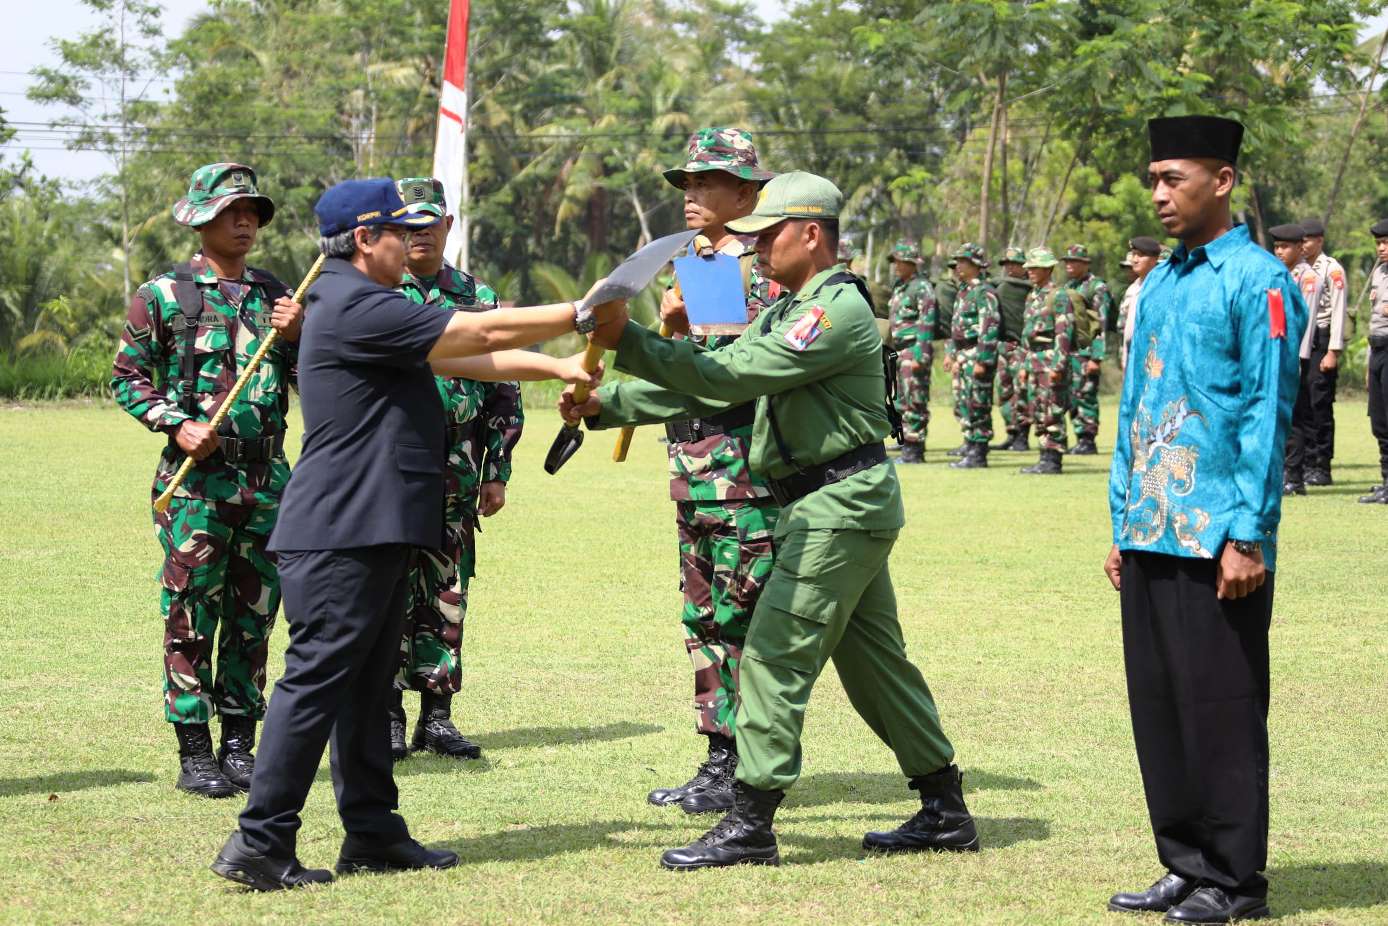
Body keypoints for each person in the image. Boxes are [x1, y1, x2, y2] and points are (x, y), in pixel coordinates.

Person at [210, 177, 617, 891]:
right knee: (314, 686)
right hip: (344, 529)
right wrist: (581, 313)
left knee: (368, 691)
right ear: (366, 239)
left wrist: (556, 364)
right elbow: (479, 330)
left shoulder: (365, 302)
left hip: (374, 526)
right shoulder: (352, 302)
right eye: (401, 231)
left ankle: (371, 832)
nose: (416, 242)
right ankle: (259, 841)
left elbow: (463, 356)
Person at [567, 170, 978, 870]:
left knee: (771, 657)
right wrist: (611, 404)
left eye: (767, 235)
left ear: (811, 234)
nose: (754, 249)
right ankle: (944, 808)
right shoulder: (791, 306)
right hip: (827, 504)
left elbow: (730, 378)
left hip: (838, 506)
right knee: (876, 665)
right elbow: (719, 375)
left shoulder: (831, 311)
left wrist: (628, 342)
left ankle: (752, 823)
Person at [1104, 116, 1304, 924]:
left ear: (1221, 181)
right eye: (1153, 178)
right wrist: (1122, 521)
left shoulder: (1257, 281)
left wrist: (1247, 533)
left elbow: (1267, 412)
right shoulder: (1159, 281)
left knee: (1220, 709)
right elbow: (1136, 408)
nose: (1159, 194)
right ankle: (1185, 864)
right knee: (1158, 706)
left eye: (1173, 178)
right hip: (1152, 526)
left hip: (1219, 534)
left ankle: (1235, 880)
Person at [607, 127, 783, 816]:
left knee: (743, 622)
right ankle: (718, 759)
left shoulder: (762, 270)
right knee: (703, 620)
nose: (691, 195)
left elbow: (741, 375)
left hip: (744, 477)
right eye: (686, 183)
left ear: (746, 193)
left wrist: (672, 335)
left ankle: (748, 766)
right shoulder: (698, 263)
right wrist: (674, 332)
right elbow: (694, 370)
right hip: (693, 468)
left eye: (706, 182)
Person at [112, 163, 302, 798]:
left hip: (269, 480)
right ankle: (195, 751)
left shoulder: (278, 297)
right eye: (229, 212)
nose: (244, 221)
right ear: (199, 220)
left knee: (254, 617)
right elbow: (127, 377)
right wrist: (174, 423)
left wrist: (299, 335)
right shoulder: (165, 295)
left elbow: (312, 376)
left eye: (251, 211)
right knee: (191, 616)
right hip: (196, 484)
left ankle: (240, 746)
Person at [385, 177, 523, 761]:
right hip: (391, 469)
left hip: (458, 469)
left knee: (446, 589)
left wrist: (497, 469)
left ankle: (436, 716)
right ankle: (386, 713)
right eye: (407, 226)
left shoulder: (475, 295)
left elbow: (503, 388)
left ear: (448, 225)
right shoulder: (379, 292)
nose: (419, 235)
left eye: (429, 223)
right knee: (388, 587)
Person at [1296, 218, 1349, 486]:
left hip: (1323, 337)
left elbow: (1338, 311)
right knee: (1303, 402)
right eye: (1301, 241)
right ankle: (1304, 461)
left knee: (1319, 404)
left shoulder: (1331, 269)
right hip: (1304, 337)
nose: (1303, 245)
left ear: (1320, 241)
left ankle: (1321, 464)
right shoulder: (1300, 270)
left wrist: (1333, 351)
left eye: (1308, 240)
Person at [1018, 248, 1080, 475]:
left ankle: (1053, 458)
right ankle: (1044, 455)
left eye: (1035, 268)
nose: (1030, 271)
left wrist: (1058, 365)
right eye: (1029, 268)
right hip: (1035, 361)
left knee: (1052, 409)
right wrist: (1024, 364)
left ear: (1048, 269)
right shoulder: (1033, 296)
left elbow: (1064, 333)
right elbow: (1027, 333)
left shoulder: (1059, 296)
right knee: (1037, 409)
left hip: (1050, 361)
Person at [1268, 224, 1315, 497]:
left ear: (1300, 247)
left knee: (1296, 415)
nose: (1280, 251)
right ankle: (1284, 471)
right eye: (1277, 247)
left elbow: (1304, 323)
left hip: (1297, 354)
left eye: (1285, 246)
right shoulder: (1279, 275)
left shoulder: (1307, 277)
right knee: (1282, 414)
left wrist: (1297, 358)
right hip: (1281, 351)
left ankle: (1295, 477)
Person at [947, 243, 1001, 468]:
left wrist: (982, 360)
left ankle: (979, 451)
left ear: (976, 265)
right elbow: (955, 326)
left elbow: (989, 327)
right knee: (963, 402)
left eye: (964, 262)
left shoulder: (984, 292)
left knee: (978, 403)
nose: (958, 265)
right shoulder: (964, 291)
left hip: (976, 353)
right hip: (962, 354)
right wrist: (951, 353)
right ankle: (969, 444)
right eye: (958, 261)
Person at [886, 239, 937, 463]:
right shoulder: (900, 286)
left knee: (915, 399)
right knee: (903, 399)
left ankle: (915, 448)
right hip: (900, 352)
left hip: (914, 351)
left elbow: (927, 322)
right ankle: (908, 440)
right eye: (895, 261)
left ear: (912, 263)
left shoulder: (922, 287)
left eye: (901, 261)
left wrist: (920, 354)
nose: (896, 265)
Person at [1061, 244, 1114, 455]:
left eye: (1074, 262)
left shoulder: (1097, 287)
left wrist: (1096, 357)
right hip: (1071, 351)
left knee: (1086, 395)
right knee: (1073, 396)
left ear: (1085, 264)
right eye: (1067, 262)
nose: (1069, 265)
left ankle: (1087, 439)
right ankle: (1079, 437)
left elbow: (1101, 323)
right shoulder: (1070, 286)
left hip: (1087, 352)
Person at [992, 246, 1033, 452]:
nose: (1009, 268)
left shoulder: (1031, 289)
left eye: (1014, 264)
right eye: (1007, 264)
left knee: (1022, 392)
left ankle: (1023, 436)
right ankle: (1012, 433)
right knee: (1005, 392)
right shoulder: (1001, 287)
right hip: (1003, 347)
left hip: (1022, 348)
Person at [1362, 219, 1388, 505]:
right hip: (1378, 350)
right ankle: (1386, 481)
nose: (1381, 248)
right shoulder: (1380, 272)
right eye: (1378, 243)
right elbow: (1374, 321)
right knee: (1380, 422)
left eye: (1385, 243)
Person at [1117, 236, 1163, 371]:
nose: (1135, 260)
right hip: (1132, 356)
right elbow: (1127, 330)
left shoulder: (1161, 287)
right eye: (1134, 255)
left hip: (1153, 359)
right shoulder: (1133, 289)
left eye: (1141, 255)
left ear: (1155, 260)